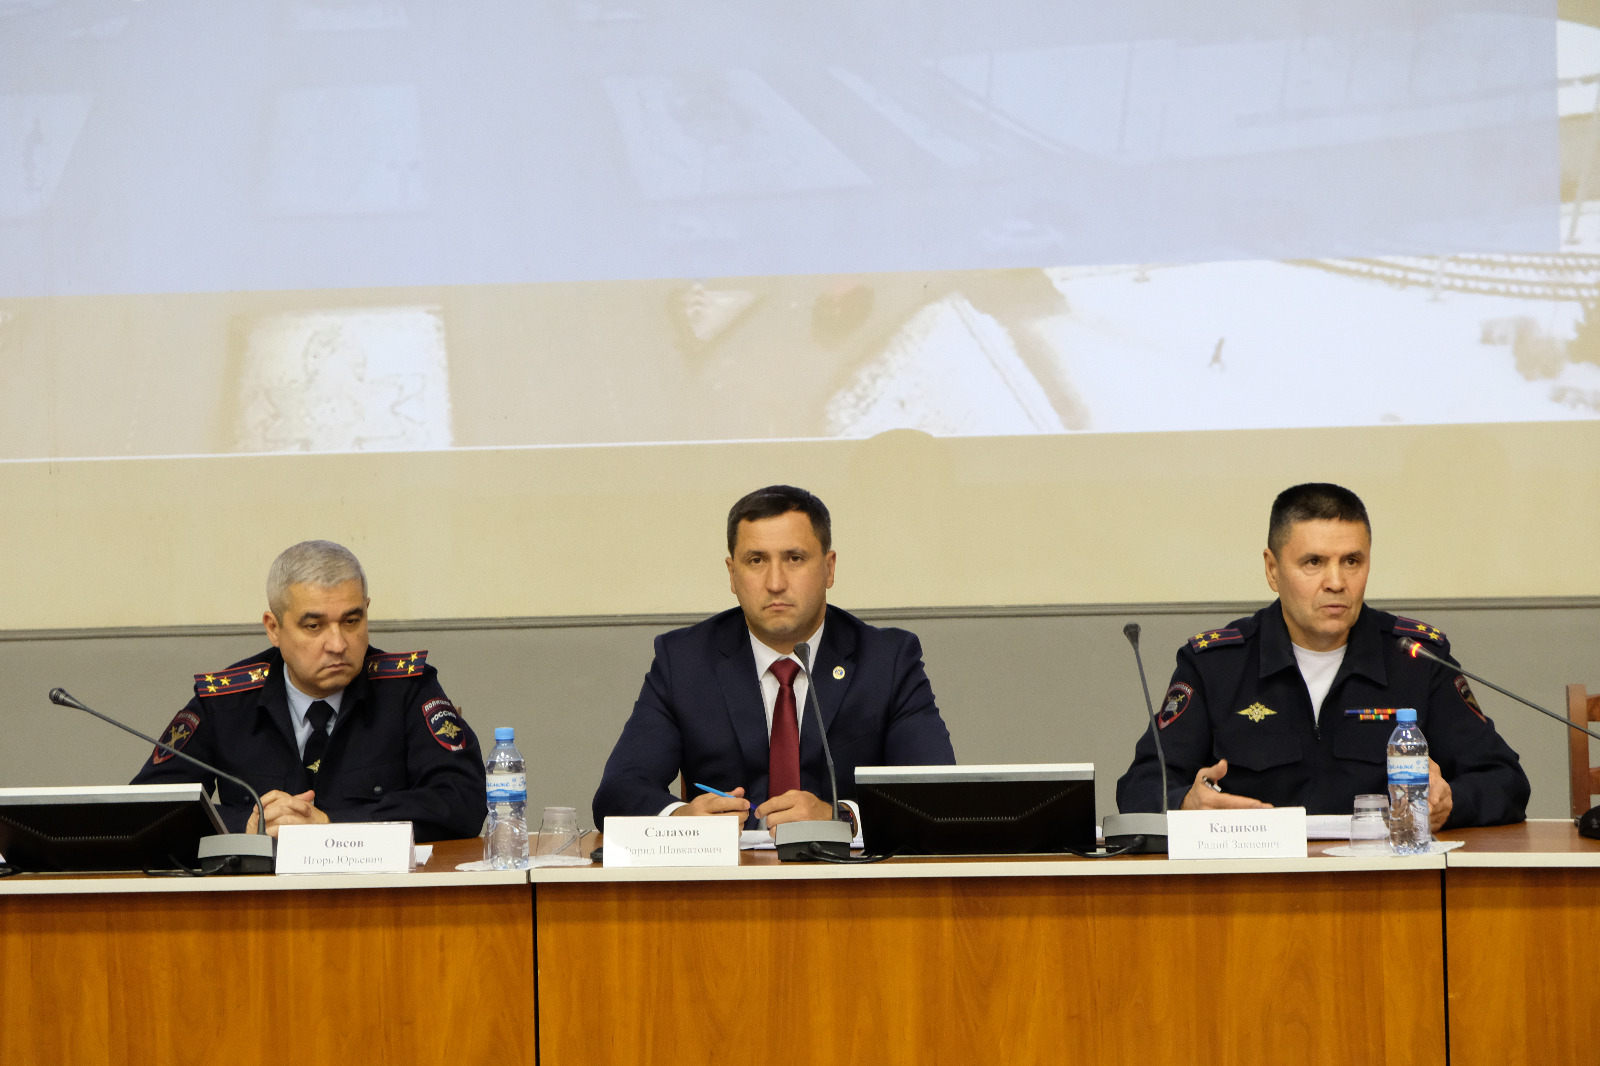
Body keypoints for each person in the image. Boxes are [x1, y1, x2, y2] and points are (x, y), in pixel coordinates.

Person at [1115, 483, 1529, 829]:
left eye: (1352, 561)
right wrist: (1184, 806)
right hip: (1253, 885)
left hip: (1385, 885)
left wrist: (1450, 802)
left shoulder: (1416, 659)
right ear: (1272, 570)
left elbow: (1504, 780)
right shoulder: (1215, 665)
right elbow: (1141, 786)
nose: (1336, 582)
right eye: (1313, 562)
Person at [592, 485, 956, 832]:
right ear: (732, 574)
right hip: (730, 872)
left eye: (794, 559)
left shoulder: (887, 661)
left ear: (828, 568)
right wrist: (680, 818)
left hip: (846, 871)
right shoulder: (685, 661)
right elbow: (618, 791)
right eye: (756, 561)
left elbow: (936, 794)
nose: (776, 582)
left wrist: (842, 816)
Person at [132, 540, 486, 842]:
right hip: (259, 898)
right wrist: (247, 826)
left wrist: (333, 825)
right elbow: (144, 811)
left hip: (376, 895)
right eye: (314, 626)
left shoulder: (406, 689)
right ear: (274, 628)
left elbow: (464, 800)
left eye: (352, 621)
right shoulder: (225, 702)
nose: (338, 644)